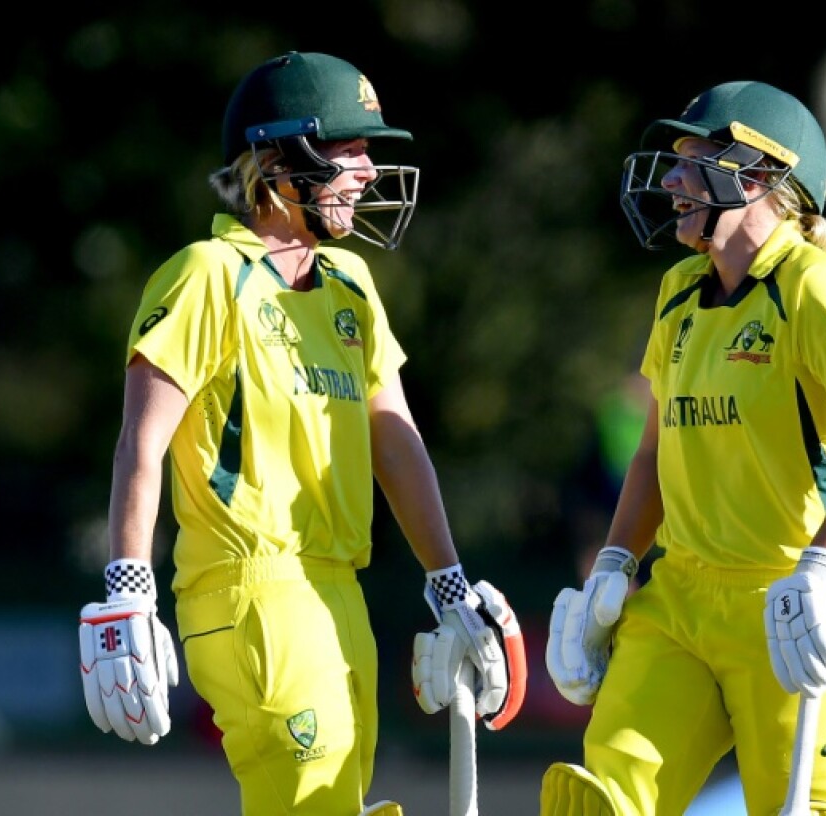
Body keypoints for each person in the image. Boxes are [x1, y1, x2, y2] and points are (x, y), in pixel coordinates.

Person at [76, 51, 525, 816]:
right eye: (350, 150)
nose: (369, 170)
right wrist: (127, 588)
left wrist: (447, 582)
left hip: (340, 591)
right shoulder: (207, 272)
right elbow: (139, 444)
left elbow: (396, 439)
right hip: (250, 589)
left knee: (340, 800)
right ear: (280, 163)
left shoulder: (352, 285)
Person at [542, 80, 826, 816]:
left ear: (761, 174)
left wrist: (821, 567)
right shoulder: (680, 289)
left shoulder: (818, 288)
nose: (674, 180)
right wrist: (614, 566)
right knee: (599, 800)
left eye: (695, 160)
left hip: (790, 603)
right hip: (680, 602)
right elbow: (653, 452)